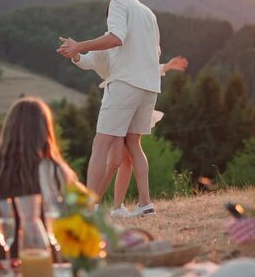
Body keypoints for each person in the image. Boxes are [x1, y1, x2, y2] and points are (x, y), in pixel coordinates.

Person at [58, 0, 161, 217]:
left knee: (100, 143)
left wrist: (80, 45)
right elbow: (156, 50)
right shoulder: (149, 13)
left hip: (125, 84)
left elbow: (116, 38)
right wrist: (76, 52)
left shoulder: (118, 3)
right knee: (134, 143)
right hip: (150, 85)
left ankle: (89, 207)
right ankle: (145, 203)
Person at [71, 49, 188, 217]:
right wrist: (75, 53)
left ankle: (116, 207)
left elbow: (142, 68)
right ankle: (94, 203)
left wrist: (165, 67)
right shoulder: (108, 43)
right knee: (116, 160)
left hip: (131, 100)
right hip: (119, 101)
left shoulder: (131, 41)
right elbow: (87, 60)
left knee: (125, 159)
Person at [0, 97, 82, 260]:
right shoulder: (57, 173)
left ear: (8, 132)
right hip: (51, 264)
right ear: (45, 132)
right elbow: (82, 215)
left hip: (3, 265)